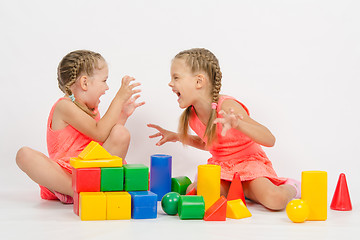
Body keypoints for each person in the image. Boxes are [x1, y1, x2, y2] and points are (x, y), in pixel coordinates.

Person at [148, 48, 300, 210]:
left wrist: (239, 124)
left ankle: (292, 186)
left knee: (274, 200)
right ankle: (244, 191)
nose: (170, 83)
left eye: (176, 77)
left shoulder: (227, 107)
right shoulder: (192, 116)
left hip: (249, 164)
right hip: (222, 168)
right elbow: (211, 144)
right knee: (197, 193)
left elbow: (270, 139)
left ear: (199, 81)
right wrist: (177, 136)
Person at [16, 50, 144, 204]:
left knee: (121, 133)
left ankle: (91, 188)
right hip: (66, 174)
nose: (107, 87)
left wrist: (122, 115)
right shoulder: (64, 106)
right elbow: (100, 133)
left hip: (93, 169)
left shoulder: (92, 109)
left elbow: (104, 142)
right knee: (24, 155)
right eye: (104, 81)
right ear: (84, 83)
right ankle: (76, 190)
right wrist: (118, 98)